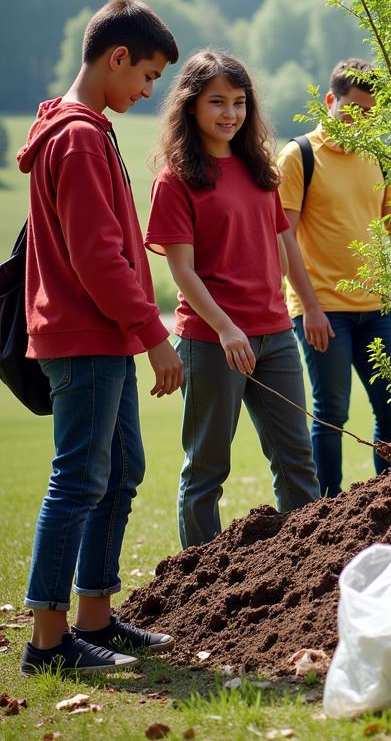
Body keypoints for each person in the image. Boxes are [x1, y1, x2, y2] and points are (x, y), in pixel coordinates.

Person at [18, 0, 181, 675]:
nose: (148, 92)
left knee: (120, 473)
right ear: (117, 58)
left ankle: (94, 617)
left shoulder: (80, 125)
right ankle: (48, 643)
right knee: (80, 479)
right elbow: (99, 257)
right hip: (87, 338)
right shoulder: (80, 136)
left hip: (102, 338)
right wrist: (155, 335)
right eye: (146, 76)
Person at [147, 50, 320, 549]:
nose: (230, 113)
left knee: (296, 460)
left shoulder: (261, 170)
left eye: (239, 102)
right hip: (211, 341)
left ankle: (305, 570)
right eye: (217, 101)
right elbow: (181, 268)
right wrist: (226, 327)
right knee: (206, 468)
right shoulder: (175, 180)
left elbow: (283, 244)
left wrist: (299, 303)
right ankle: (198, 584)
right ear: (191, 106)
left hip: (275, 336)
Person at [278, 58, 391, 497]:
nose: (362, 123)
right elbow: (285, 237)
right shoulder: (299, 155)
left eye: (371, 114)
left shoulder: (378, 155)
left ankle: (389, 500)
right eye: (354, 111)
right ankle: (327, 510)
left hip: (375, 309)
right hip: (321, 309)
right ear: (330, 101)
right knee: (331, 411)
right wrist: (311, 308)